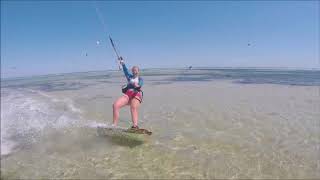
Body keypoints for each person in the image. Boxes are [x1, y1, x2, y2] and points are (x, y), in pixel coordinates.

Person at [112, 57, 143, 129]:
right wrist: (122, 62)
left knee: (133, 107)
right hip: (128, 94)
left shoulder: (140, 79)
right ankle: (114, 125)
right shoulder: (129, 77)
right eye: (133, 70)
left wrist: (137, 85)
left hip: (136, 94)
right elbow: (125, 70)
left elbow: (140, 85)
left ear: (138, 71)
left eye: (136, 70)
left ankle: (135, 126)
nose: (134, 71)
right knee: (115, 105)